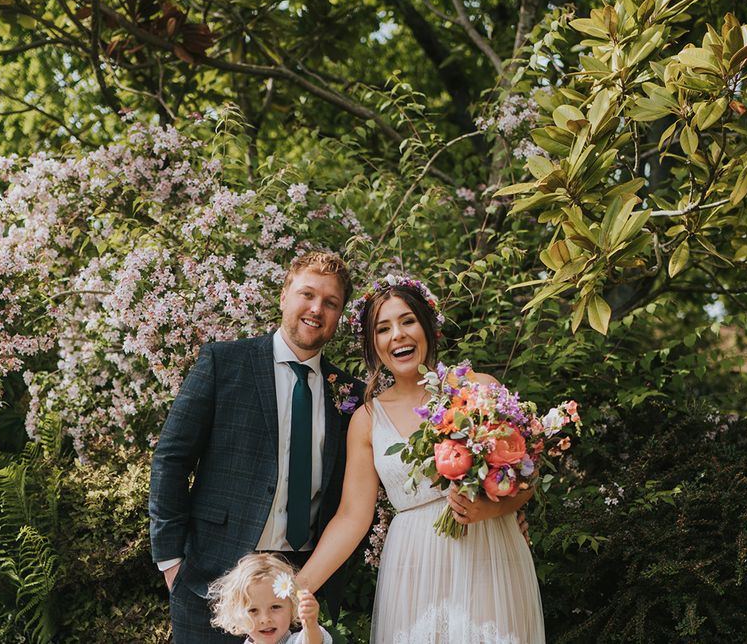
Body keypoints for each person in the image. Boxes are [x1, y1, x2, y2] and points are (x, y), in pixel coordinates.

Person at [297, 275, 545, 643]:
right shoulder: (367, 419)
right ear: (373, 344)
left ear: (428, 327)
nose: (397, 335)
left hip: (488, 553)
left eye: (407, 321)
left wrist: (488, 511)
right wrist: (295, 590)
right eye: (383, 328)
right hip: (413, 566)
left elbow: (526, 476)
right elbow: (352, 516)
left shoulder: (479, 388)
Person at [149, 251, 365, 642]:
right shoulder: (224, 363)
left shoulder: (350, 395)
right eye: (307, 294)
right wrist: (171, 563)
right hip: (210, 583)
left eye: (330, 303)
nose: (316, 309)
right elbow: (172, 459)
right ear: (284, 295)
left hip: (301, 590)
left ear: (339, 315)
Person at [208, 553, 332, 644]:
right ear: (237, 614)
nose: (265, 619)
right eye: (253, 610)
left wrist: (310, 624)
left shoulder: (296, 641)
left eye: (275, 607)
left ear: (293, 606)